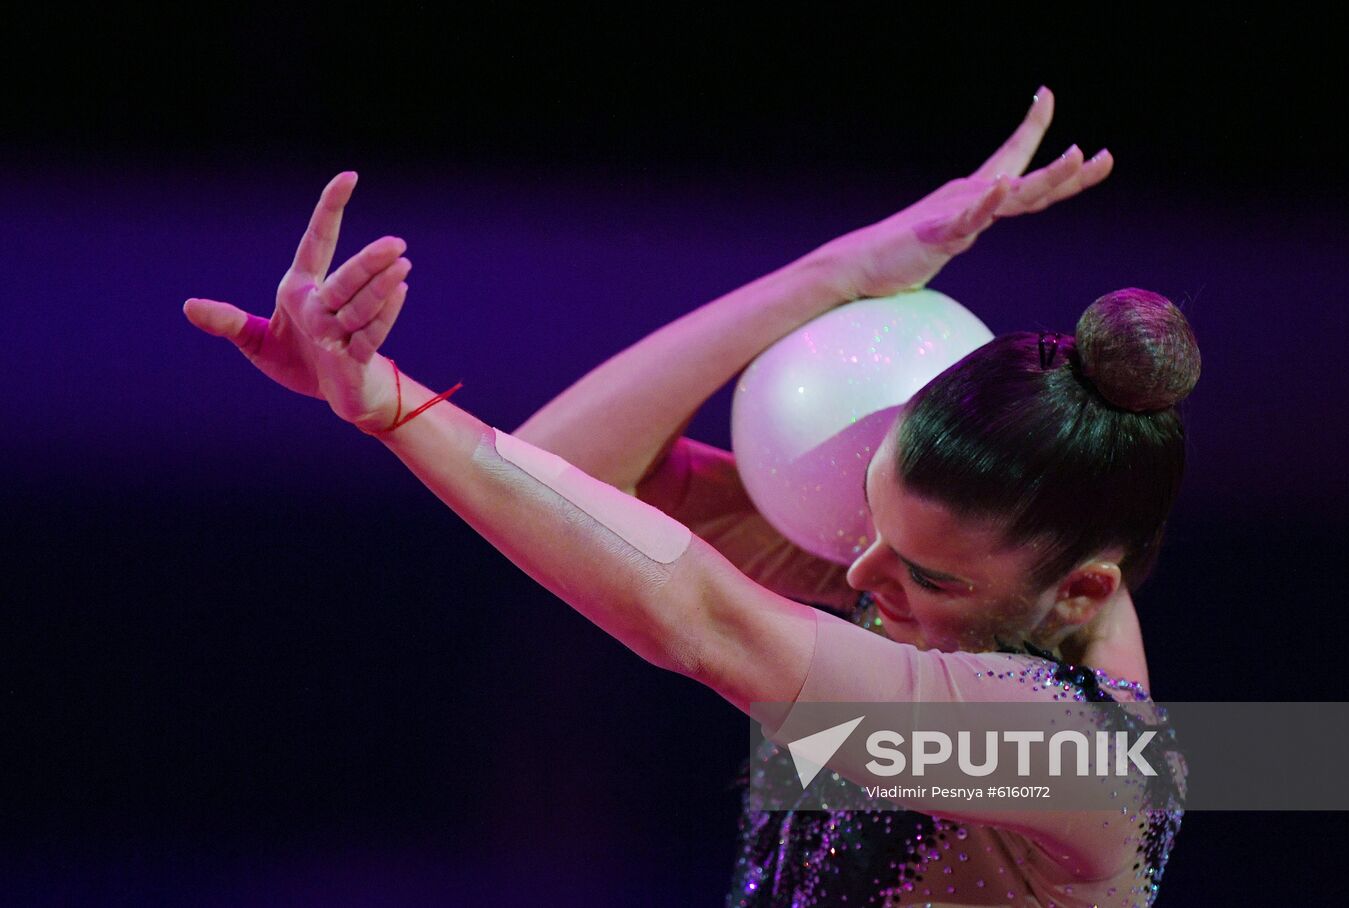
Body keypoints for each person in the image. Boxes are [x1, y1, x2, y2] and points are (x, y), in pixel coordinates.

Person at [183, 87, 1191, 907]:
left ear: (1077, 591)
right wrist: (841, 269)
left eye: (924, 571)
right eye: (876, 526)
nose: (857, 570)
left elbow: (701, 618)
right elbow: (566, 467)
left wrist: (389, 403)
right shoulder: (926, 588)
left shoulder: (1082, 757)